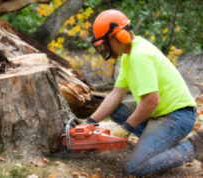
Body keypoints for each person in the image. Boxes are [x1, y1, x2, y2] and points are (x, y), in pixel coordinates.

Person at [86, 9, 203, 177]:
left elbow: (152, 100)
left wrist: (128, 126)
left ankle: (194, 147)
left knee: (134, 168)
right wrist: (90, 122)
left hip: (177, 116)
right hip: (162, 112)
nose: (104, 47)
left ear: (120, 36)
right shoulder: (128, 54)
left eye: (106, 42)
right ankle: (161, 145)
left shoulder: (139, 55)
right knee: (117, 110)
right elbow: (115, 94)